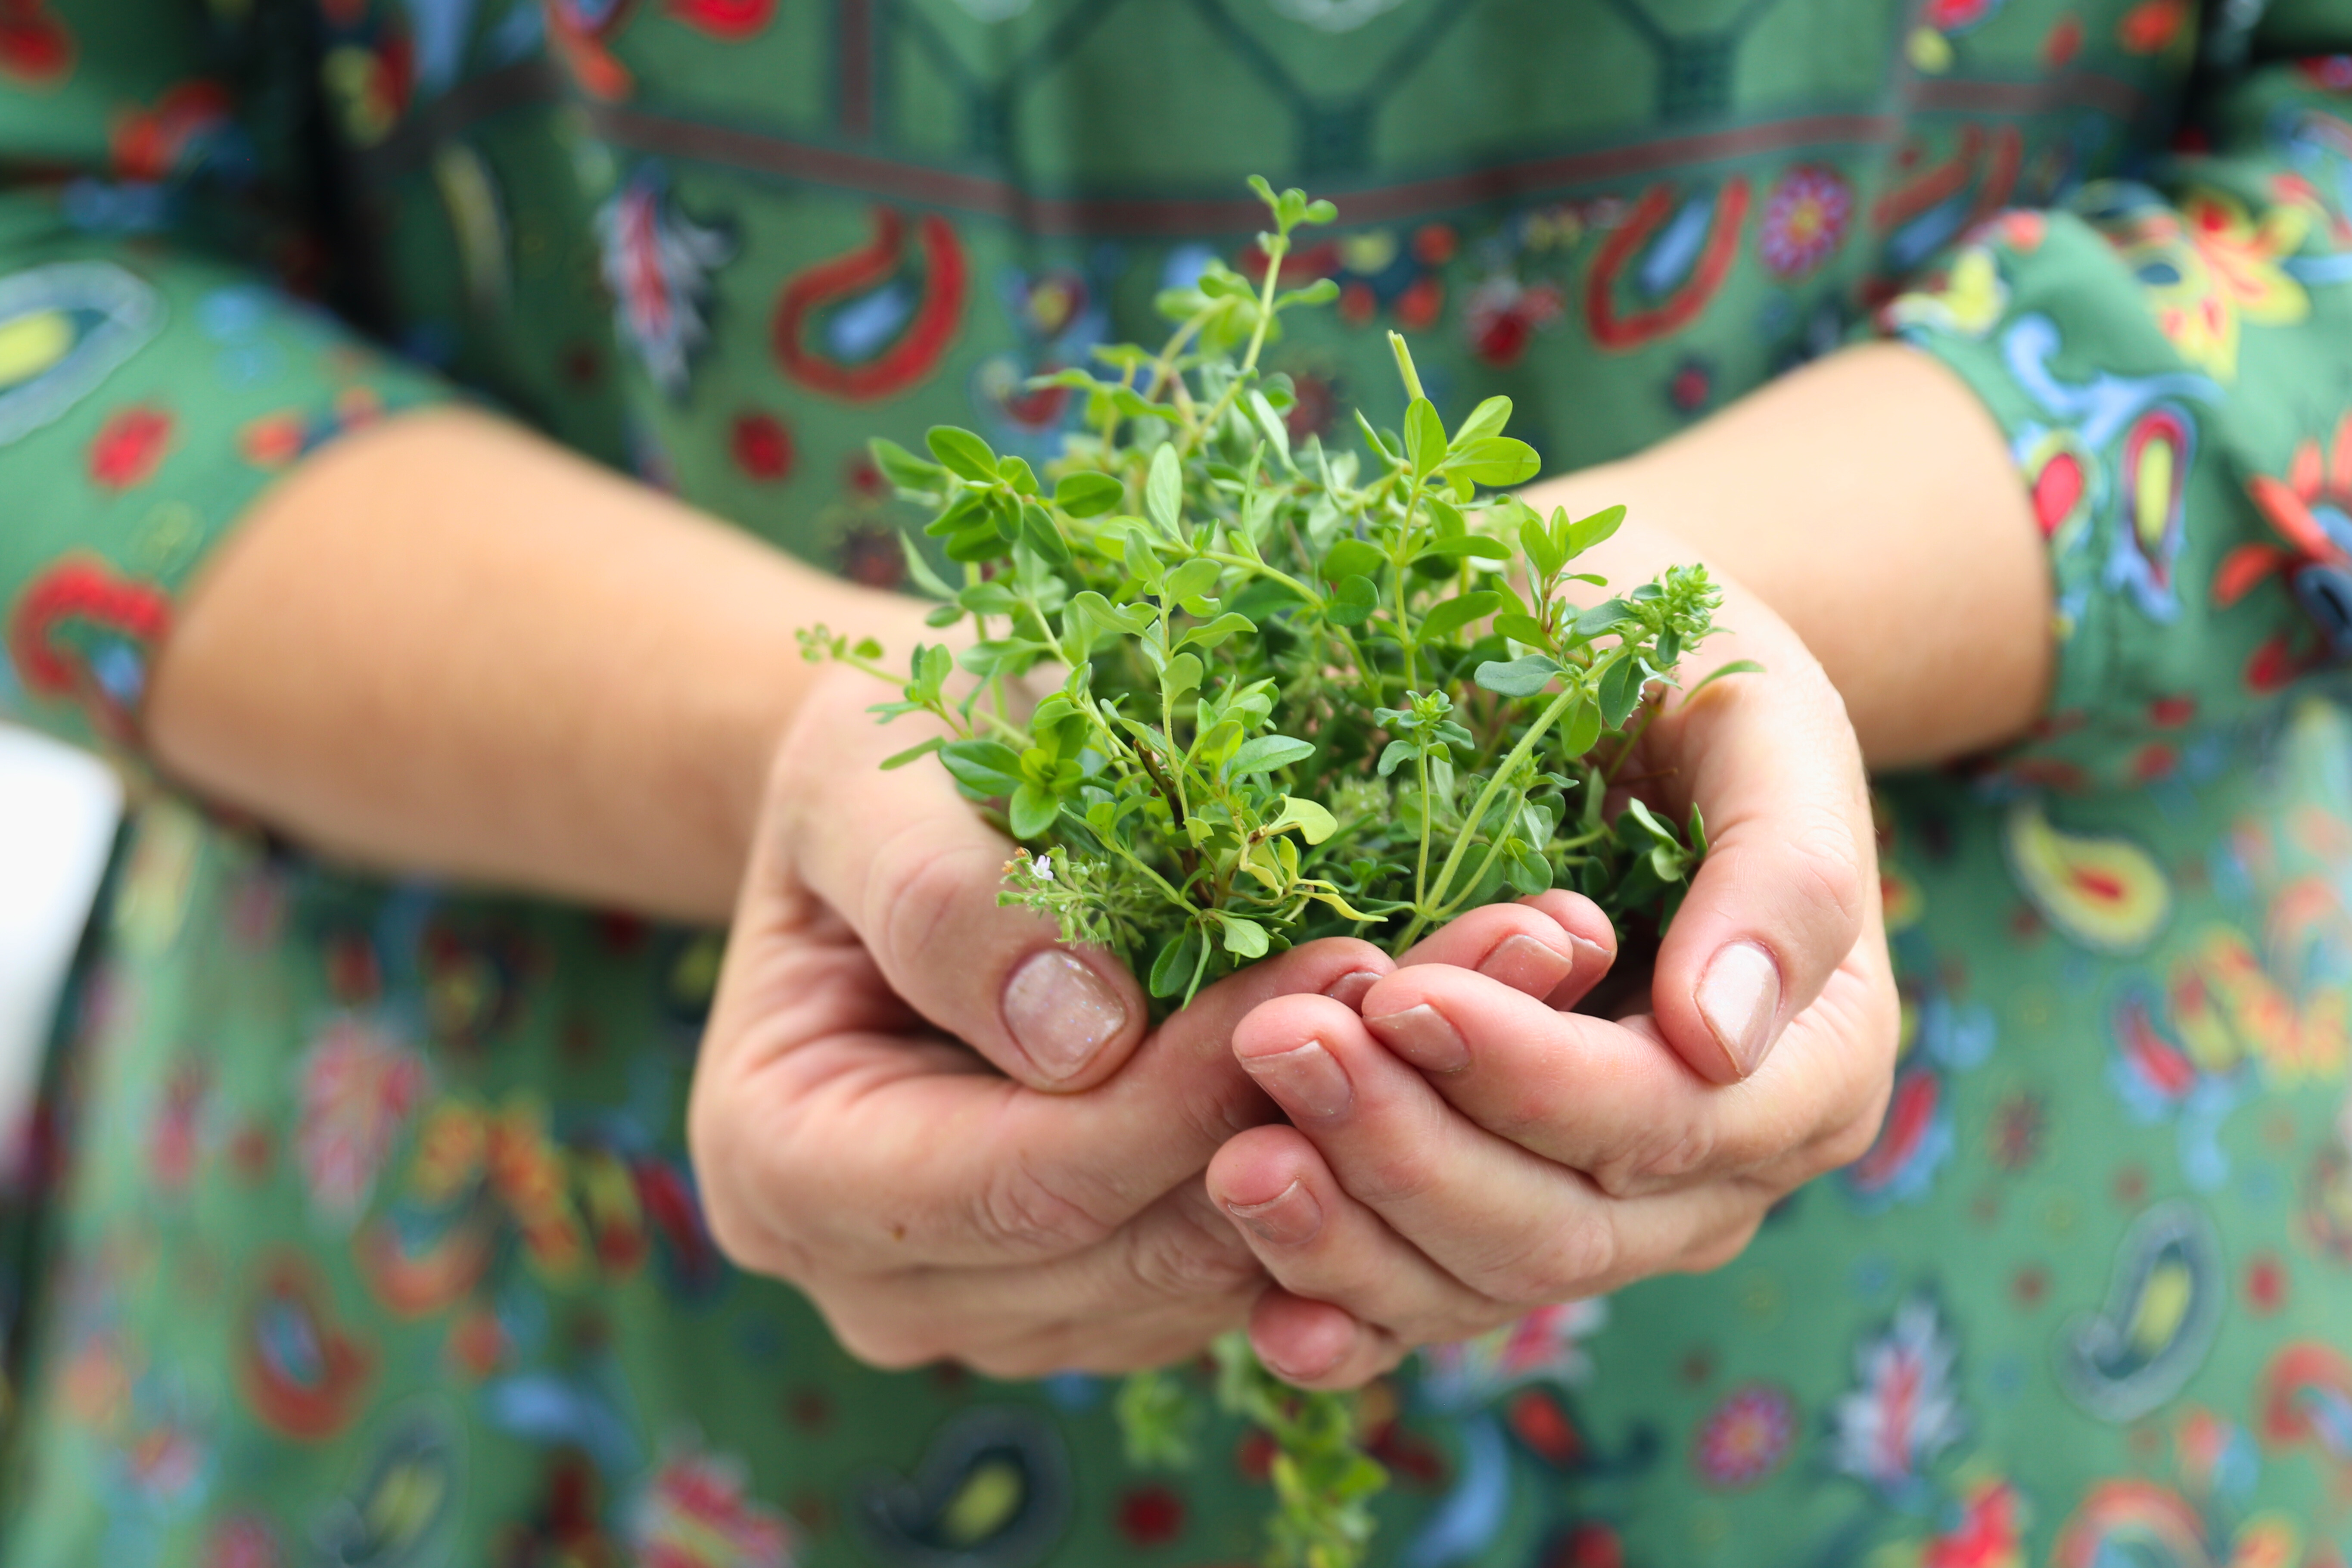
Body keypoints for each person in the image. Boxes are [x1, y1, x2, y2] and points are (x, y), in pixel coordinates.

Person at [1, 0, 2347, 1559]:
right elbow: (52, 258)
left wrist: (1644, 631)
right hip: (531, 1325)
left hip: (1965, 1341)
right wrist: (804, 750)